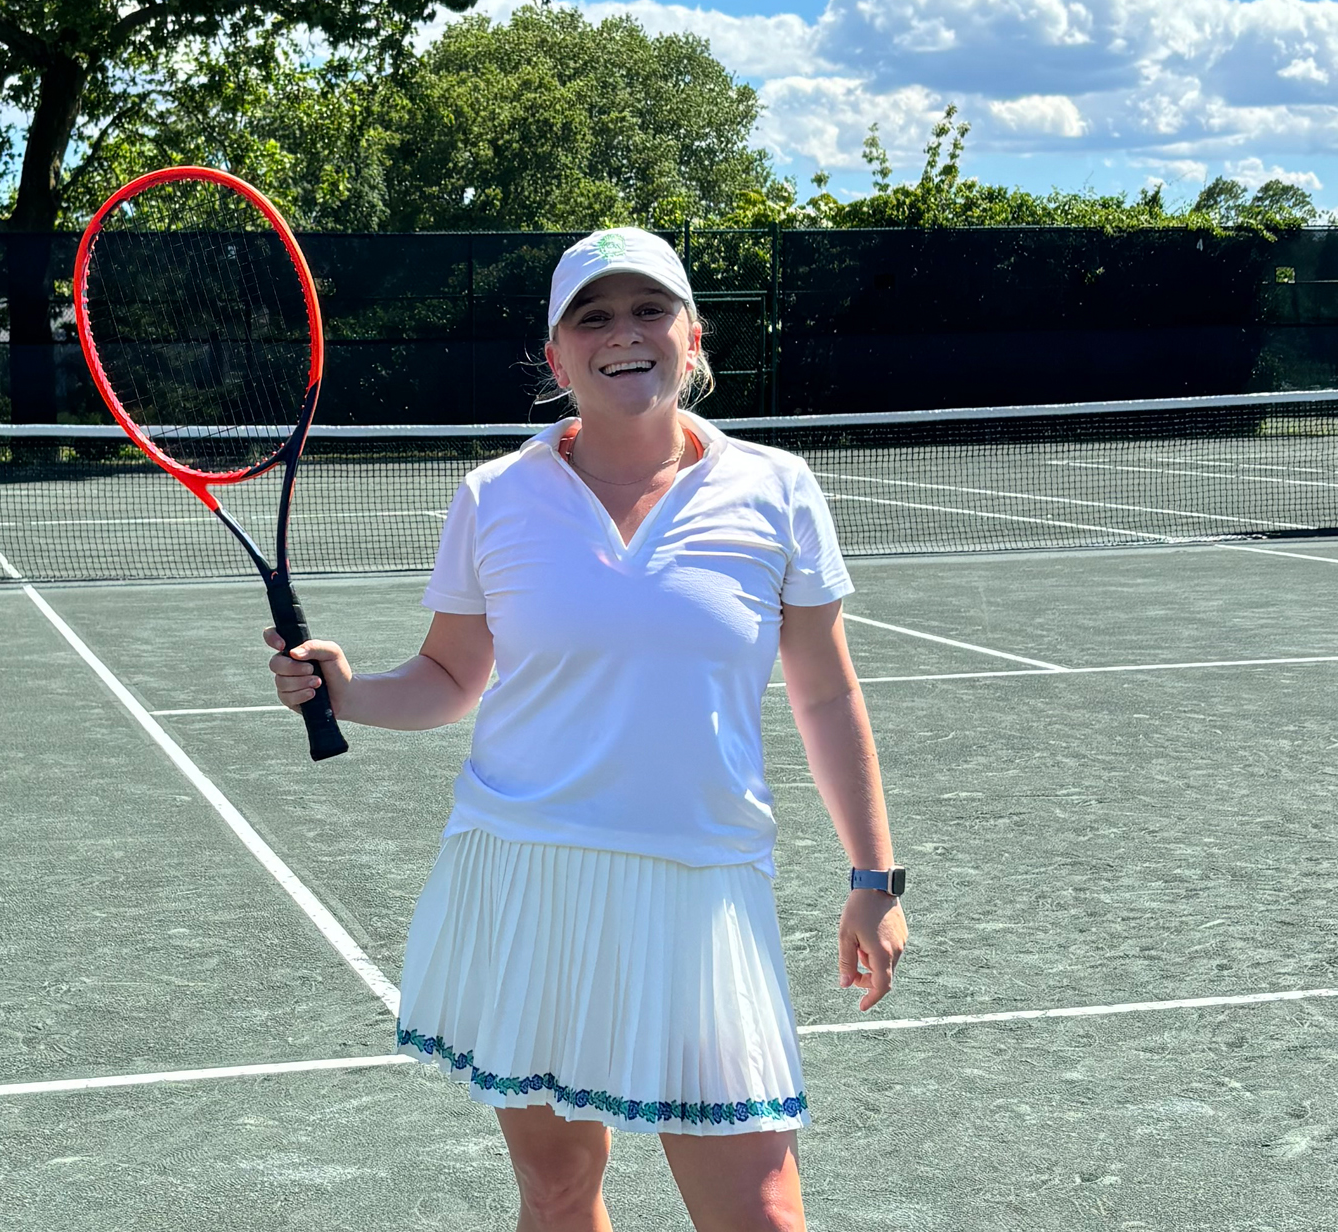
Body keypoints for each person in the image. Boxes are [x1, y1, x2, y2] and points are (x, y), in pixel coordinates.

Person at [261, 228, 907, 1232]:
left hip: (702, 885)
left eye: (650, 309)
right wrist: (346, 693)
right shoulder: (495, 495)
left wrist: (874, 877)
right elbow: (451, 676)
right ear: (556, 357)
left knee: (762, 1212)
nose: (624, 334)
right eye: (593, 318)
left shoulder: (777, 488)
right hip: (529, 875)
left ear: (693, 337)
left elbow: (825, 694)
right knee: (559, 1190)